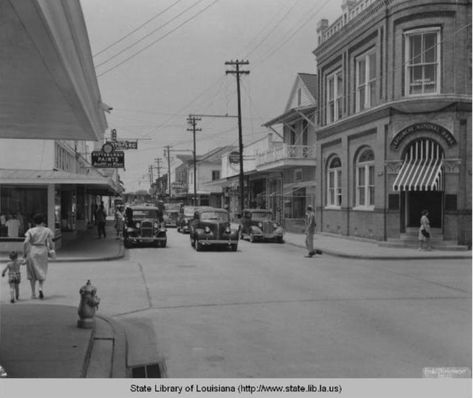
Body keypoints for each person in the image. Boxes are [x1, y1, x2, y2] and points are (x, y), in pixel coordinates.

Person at [23, 213, 54, 299]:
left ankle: (33, 293)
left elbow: (25, 242)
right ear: (42, 221)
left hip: (33, 250)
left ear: (34, 221)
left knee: (32, 273)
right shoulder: (47, 230)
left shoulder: (30, 231)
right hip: (43, 250)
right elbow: (50, 242)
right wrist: (52, 250)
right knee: (42, 270)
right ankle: (40, 288)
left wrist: (24, 253)